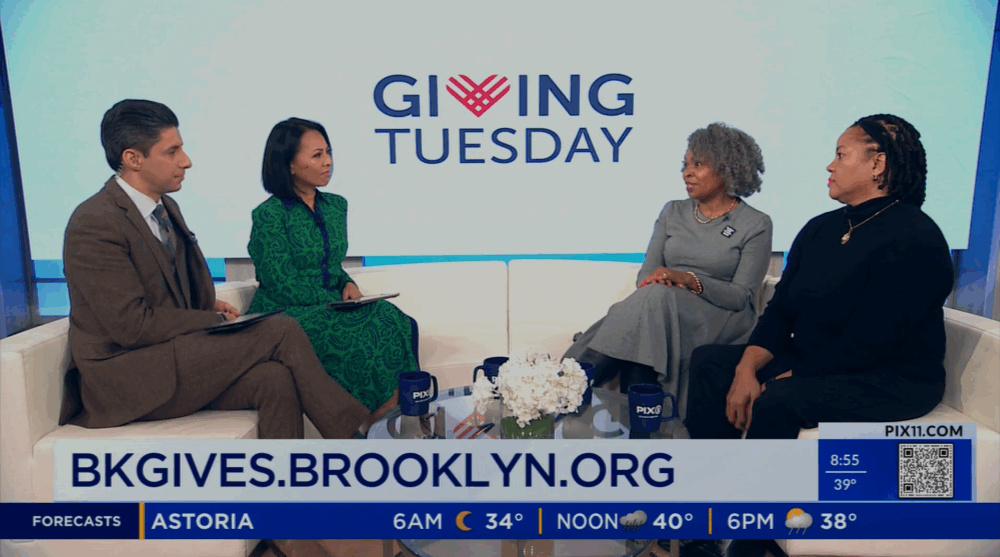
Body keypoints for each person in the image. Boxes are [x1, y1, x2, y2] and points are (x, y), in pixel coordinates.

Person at [61, 100, 375, 556]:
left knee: (274, 379)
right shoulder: (95, 222)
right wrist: (206, 319)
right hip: (125, 376)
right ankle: (361, 447)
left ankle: (286, 523)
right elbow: (129, 324)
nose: (185, 160)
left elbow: (166, 286)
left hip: (169, 357)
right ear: (132, 158)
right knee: (281, 329)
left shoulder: (162, 208)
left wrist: (208, 302)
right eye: (172, 151)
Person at [683, 114, 953, 557]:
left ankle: (754, 542)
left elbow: (873, 340)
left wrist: (782, 380)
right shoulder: (821, 228)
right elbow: (780, 310)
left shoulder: (915, 237)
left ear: (877, 164)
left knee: (778, 402)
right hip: (821, 361)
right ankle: (708, 522)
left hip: (890, 377)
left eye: (841, 155)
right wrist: (748, 369)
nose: (830, 165)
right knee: (713, 364)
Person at [563, 122, 773, 423]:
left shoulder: (756, 223)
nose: (687, 173)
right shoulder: (672, 211)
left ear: (728, 168)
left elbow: (742, 296)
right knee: (653, 302)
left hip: (720, 316)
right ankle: (642, 424)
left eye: (698, 165)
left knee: (655, 300)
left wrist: (689, 280)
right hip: (662, 309)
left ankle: (572, 381)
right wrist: (666, 282)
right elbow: (645, 277)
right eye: (685, 165)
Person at [247, 118, 420, 413]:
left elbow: (329, 264)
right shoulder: (269, 215)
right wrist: (334, 302)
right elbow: (280, 280)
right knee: (362, 328)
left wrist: (345, 283)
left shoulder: (336, 206)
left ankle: (405, 409)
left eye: (328, 153)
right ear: (289, 164)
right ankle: (372, 420)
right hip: (285, 311)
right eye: (317, 155)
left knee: (393, 318)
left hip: (328, 304)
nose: (328, 162)